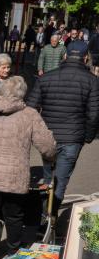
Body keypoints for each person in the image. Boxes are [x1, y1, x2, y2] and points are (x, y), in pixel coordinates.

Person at [0, 76, 56, 259]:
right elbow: (45, 144)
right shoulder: (29, 114)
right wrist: (51, 156)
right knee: (14, 215)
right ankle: (13, 251)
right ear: (22, 93)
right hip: (14, 174)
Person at [27, 41, 99, 230]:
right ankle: (48, 219)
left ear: (65, 56)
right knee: (61, 180)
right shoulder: (92, 81)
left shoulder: (46, 78)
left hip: (48, 137)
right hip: (73, 137)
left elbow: (31, 108)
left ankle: (45, 217)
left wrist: (36, 131)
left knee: (49, 177)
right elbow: (93, 114)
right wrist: (88, 136)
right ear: (85, 58)